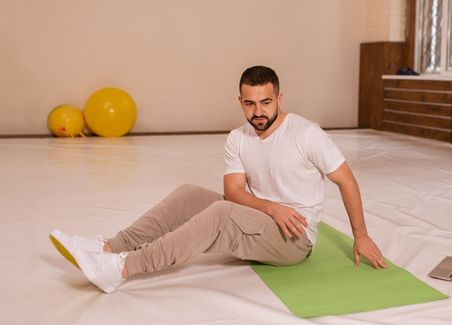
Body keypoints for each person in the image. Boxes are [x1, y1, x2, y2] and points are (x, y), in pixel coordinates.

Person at [49, 65, 387, 294]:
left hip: (294, 240)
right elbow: (233, 191)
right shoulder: (238, 138)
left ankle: (121, 269)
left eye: (266, 102)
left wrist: (361, 236)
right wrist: (271, 208)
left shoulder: (307, 134)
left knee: (220, 214)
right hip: (263, 220)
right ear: (240, 101)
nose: (259, 112)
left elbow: (347, 180)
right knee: (189, 194)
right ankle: (110, 246)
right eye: (250, 103)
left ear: (280, 99)